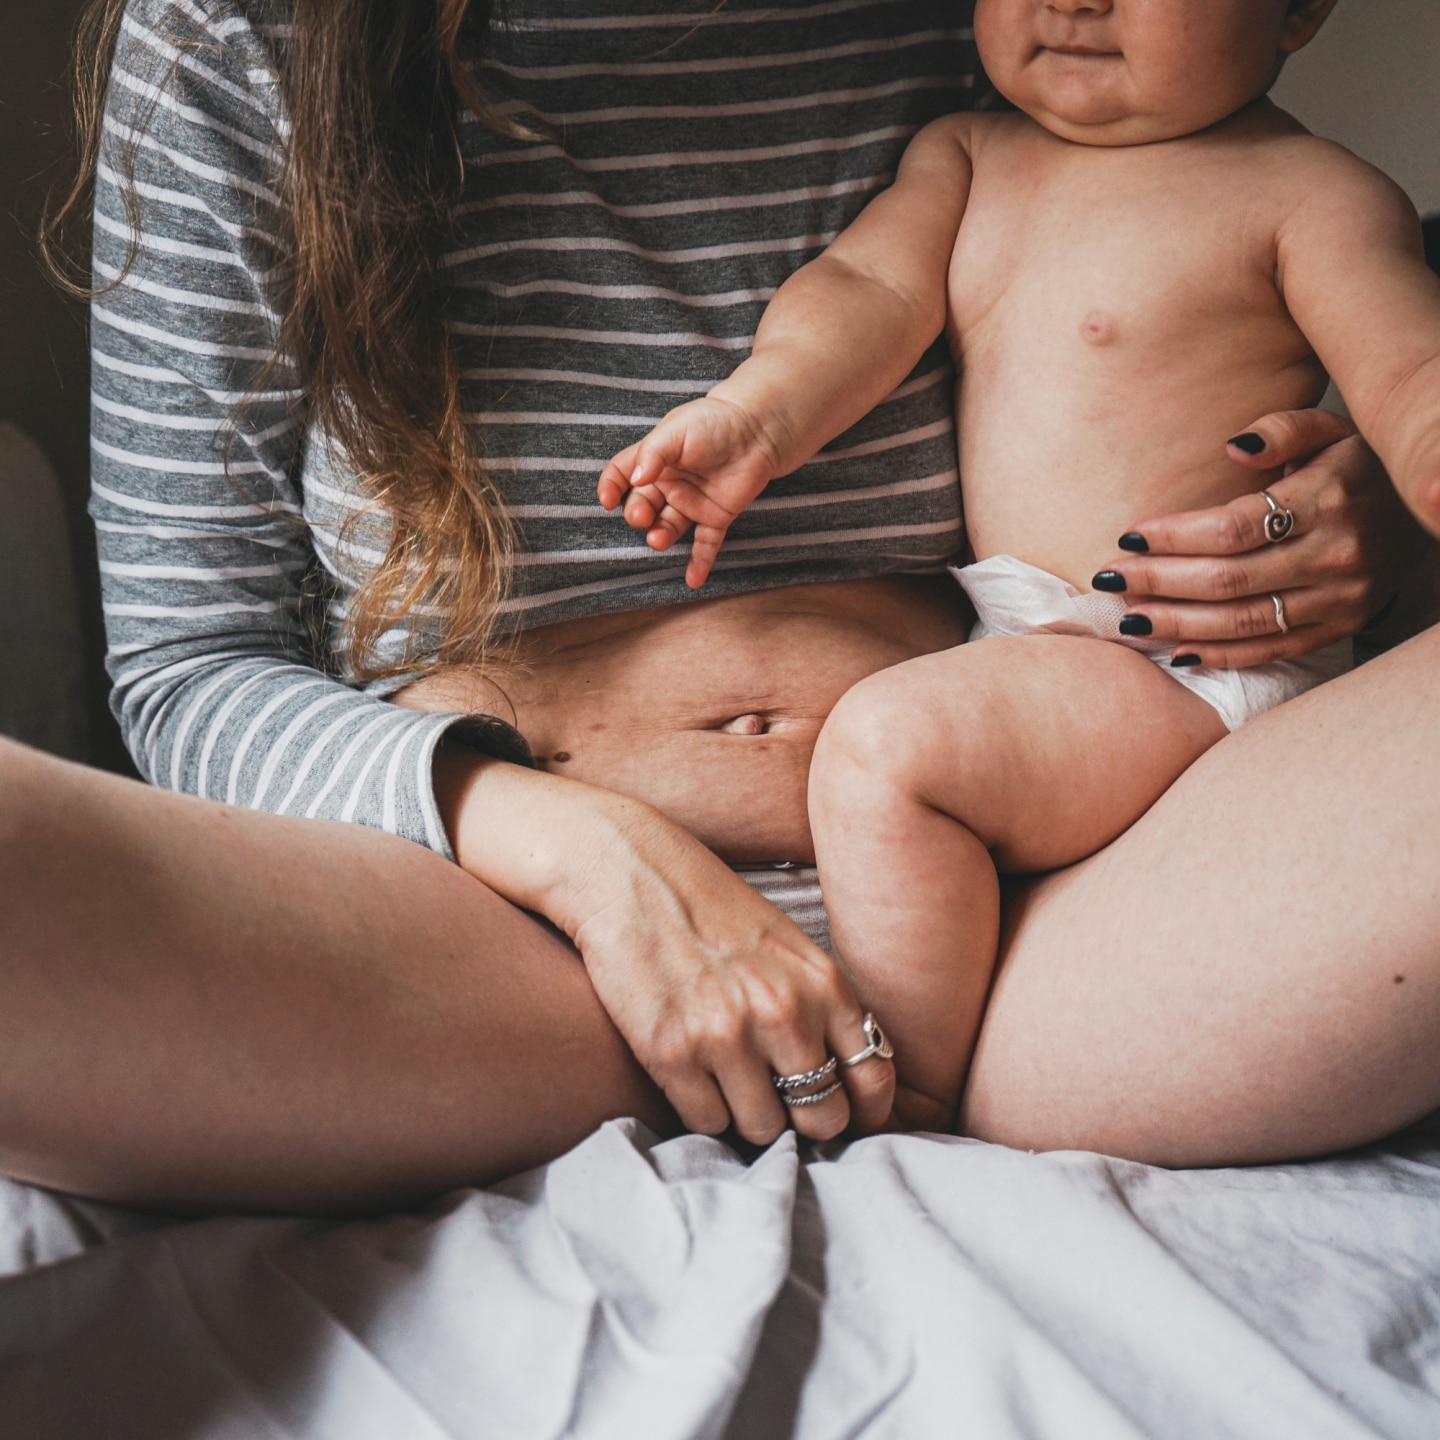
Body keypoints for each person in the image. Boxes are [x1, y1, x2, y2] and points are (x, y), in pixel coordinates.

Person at [9, 0, 1434, 1212]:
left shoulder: (996, 37)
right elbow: (190, 670)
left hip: (1049, 912)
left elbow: (1204, 296)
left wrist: (1349, 493)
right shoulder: (243, 36)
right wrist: (591, 864)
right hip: (500, 952)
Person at [594, 0, 1440, 1126]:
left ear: (1296, 10)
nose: (1075, 2)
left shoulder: (1311, 193)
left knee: (887, 751)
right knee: (910, 754)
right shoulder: (966, 153)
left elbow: (1411, 367)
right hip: (1044, 650)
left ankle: (911, 1098)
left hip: (1191, 663)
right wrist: (756, 417)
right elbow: (867, 295)